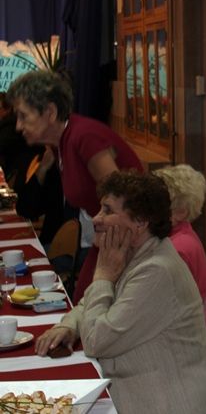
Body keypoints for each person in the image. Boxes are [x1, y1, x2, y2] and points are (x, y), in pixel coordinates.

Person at [34, 171, 206, 413]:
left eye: (107, 210)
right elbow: (88, 303)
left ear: (140, 221)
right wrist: (69, 326)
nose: (96, 218)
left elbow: (95, 341)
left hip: (170, 404)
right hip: (142, 394)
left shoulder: (157, 271)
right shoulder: (134, 252)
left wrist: (103, 276)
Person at [7, 70, 143, 301]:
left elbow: (124, 202)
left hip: (128, 244)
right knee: (80, 305)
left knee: (87, 306)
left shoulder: (84, 136)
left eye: (23, 116)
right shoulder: (60, 144)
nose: (18, 126)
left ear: (50, 112)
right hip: (106, 241)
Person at [153, 163, 206, 361]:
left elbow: (165, 309)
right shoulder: (184, 234)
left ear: (180, 212)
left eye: (156, 204)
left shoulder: (177, 249)